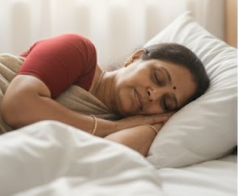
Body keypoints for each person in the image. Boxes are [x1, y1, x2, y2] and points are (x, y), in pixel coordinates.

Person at [0, 33, 210, 156]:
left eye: (166, 102)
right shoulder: (78, 50)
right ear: (135, 58)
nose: (153, 95)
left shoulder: (132, 124)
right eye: (157, 77)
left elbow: (103, 158)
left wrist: (155, 123)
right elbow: (17, 106)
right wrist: (115, 127)